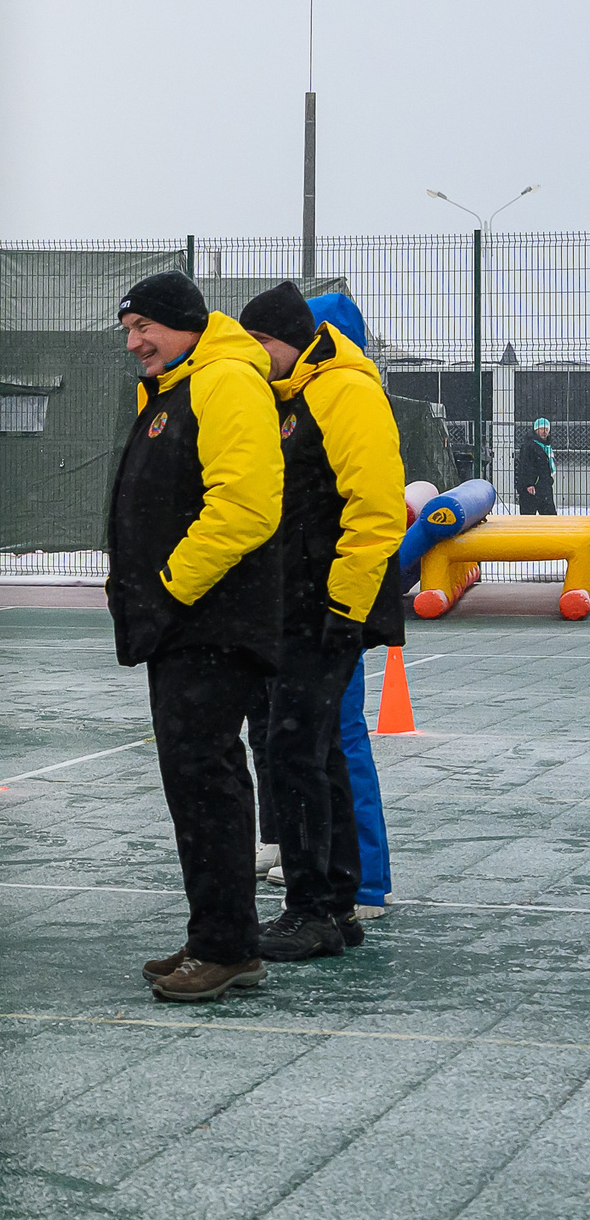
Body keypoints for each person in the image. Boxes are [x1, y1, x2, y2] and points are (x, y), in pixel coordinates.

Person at [109, 273, 286, 1003]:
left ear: (185, 322)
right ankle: (217, 931)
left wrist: (169, 586)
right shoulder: (182, 384)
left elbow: (245, 506)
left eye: (144, 325)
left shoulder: (225, 383)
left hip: (210, 619)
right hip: (188, 623)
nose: (134, 341)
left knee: (207, 779)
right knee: (194, 780)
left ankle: (227, 946)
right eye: (127, 329)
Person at [236, 282, 409, 961]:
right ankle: (336, 903)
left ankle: (312, 908)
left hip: (327, 607)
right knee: (317, 751)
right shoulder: (295, 394)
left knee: (294, 751)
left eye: (260, 346)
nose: (255, 359)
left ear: (287, 338)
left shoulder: (345, 391)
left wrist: (345, 604)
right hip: (302, 604)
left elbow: (374, 506)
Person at [516, 417, 557, 514]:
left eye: (546, 429)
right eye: (542, 429)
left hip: (544, 487)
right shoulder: (529, 446)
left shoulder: (546, 446)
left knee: (550, 518)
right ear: (536, 430)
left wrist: (549, 480)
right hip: (531, 488)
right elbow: (525, 466)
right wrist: (529, 483)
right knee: (528, 520)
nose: (544, 432)